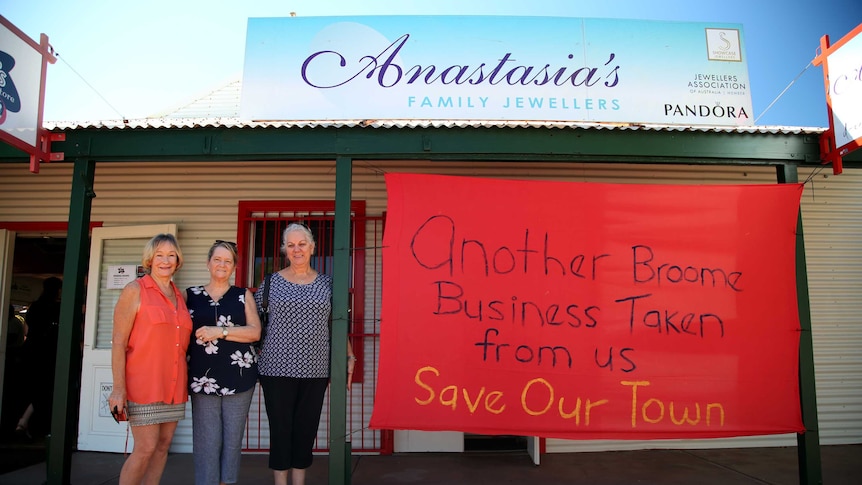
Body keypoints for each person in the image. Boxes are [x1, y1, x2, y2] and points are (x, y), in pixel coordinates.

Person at [254, 223, 355, 485]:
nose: (296, 249)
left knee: (306, 429)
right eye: (291, 244)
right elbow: (254, 324)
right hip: (275, 368)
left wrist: (349, 355)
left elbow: (338, 323)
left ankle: (299, 482)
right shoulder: (270, 283)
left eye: (302, 244)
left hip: (317, 369)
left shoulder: (328, 284)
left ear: (312, 247)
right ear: (284, 249)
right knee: (280, 429)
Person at [108, 233, 193, 485]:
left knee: (162, 446)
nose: (165, 260)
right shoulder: (135, 290)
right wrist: (118, 389)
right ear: (150, 259)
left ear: (178, 260)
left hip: (174, 386)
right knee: (145, 448)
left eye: (171, 255)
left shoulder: (180, 297)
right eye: (159, 255)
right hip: (143, 386)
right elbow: (119, 343)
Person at [185, 240, 261, 485]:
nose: (222, 264)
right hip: (202, 379)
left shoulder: (242, 295)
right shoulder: (191, 295)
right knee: (207, 438)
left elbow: (254, 333)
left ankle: (227, 482)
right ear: (208, 263)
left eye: (228, 261)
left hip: (239, 378)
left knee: (232, 438)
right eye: (217, 259)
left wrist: (220, 331)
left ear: (234, 267)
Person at [16, 276, 62, 439]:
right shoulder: (57, 308)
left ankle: (23, 422)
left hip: (30, 351)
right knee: (45, 390)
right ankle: (27, 423)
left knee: (31, 388)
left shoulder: (34, 306)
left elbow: (27, 331)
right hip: (47, 353)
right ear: (57, 290)